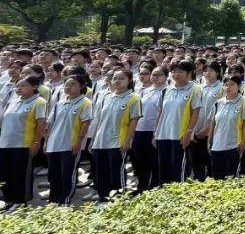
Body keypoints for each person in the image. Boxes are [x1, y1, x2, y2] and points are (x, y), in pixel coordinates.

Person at [90, 69, 141, 202]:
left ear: (129, 80)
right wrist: (94, 139)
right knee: (101, 172)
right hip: (100, 141)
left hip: (118, 141)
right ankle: (103, 198)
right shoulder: (106, 97)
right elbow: (99, 119)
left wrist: (128, 140)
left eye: (121, 78)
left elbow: (133, 121)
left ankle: (118, 199)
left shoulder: (133, 98)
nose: (117, 81)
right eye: (115, 78)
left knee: (116, 172)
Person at [43, 76, 93, 204]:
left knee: (67, 173)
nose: (68, 87)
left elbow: (86, 123)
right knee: (53, 174)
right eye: (66, 84)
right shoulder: (59, 104)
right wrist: (47, 142)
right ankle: (53, 200)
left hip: (70, 144)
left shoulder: (85, 103)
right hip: (54, 144)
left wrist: (79, 142)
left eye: (73, 84)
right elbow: (50, 124)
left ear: (81, 86)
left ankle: (65, 198)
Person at [0, 76, 47, 209]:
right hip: (5, 144)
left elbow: (41, 123)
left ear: (34, 87)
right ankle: (9, 200)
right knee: (5, 174)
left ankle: (20, 202)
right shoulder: (12, 101)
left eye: (23, 85)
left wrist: (37, 142)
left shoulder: (39, 101)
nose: (19, 88)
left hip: (23, 144)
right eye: (18, 86)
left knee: (20, 174)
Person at [153, 61, 202, 184]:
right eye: (173, 71)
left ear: (189, 73)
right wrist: (155, 133)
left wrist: (188, 133)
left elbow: (195, 112)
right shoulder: (166, 90)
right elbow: (161, 112)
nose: (176, 74)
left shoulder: (195, 89)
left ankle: (178, 197)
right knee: (163, 169)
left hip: (180, 135)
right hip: (163, 135)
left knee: (178, 169)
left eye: (180, 71)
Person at [208, 75, 245, 178]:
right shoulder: (218, 103)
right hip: (217, 146)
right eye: (226, 85)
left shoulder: (244, 102)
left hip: (234, 145)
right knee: (218, 178)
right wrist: (210, 140)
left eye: (232, 84)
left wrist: (243, 142)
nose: (228, 87)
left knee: (232, 177)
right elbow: (213, 123)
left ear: (239, 86)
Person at [132, 65, 165, 192]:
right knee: (140, 160)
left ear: (166, 77)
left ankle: (154, 187)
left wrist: (156, 133)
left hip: (154, 130)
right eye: (154, 75)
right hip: (140, 129)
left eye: (159, 75)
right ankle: (142, 186)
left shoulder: (166, 91)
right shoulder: (144, 91)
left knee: (153, 161)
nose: (155, 77)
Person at [189, 61, 223, 181]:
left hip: (212, 132)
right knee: (196, 162)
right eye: (205, 70)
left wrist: (208, 129)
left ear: (217, 72)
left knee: (210, 163)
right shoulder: (198, 88)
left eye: (211, 71)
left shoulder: (222, 87)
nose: (207, 73)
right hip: (196, 131)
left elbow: (219, 112)